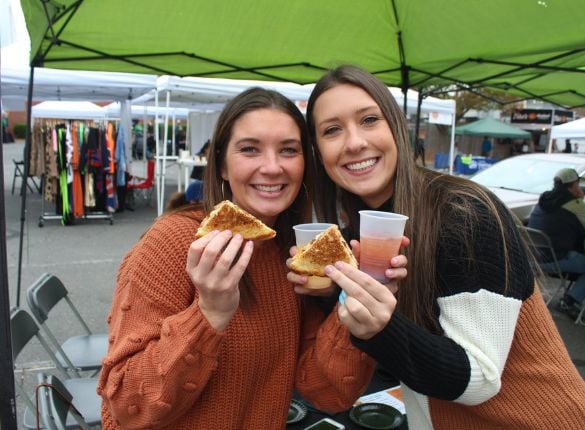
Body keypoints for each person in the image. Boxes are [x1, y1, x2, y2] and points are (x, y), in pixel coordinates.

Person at [300, 65, 585, 429]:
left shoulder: (463, 213)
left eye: (369, 119)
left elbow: (479, 378)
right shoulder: (356, 231)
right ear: (318, 151)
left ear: (397, 129)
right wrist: (329, 292)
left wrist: (379, 330)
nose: (354, 142)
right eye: (332, 130)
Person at [97, 87, 378, 429]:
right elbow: (127, 405)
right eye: (249, 149)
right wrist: (209, 313)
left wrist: (349, 306)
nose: (272, 167)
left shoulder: (290, 255)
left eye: (289, 150)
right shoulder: (173, 242)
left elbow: (326, 392)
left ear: (305, 165)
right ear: (222, 166)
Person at [528, 168, 585, 316]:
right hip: (556, 259)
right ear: (573, 186)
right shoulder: (575, 205)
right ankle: (570, 301)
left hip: (532, 258)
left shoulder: (542, 200)